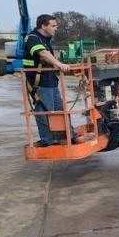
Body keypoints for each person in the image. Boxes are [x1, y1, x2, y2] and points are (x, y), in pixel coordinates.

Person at [23, 14, 76, 146]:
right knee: (45, 113)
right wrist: (59, 64)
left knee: (60, 110)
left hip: (52, 81)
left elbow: (49, 58)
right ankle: (48, 141)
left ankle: (67, 137)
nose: (56, 28)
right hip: (40, 84)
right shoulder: (32, 38)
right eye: (53, 26)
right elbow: (43, 53)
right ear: (43, 26)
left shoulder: (46, 39)